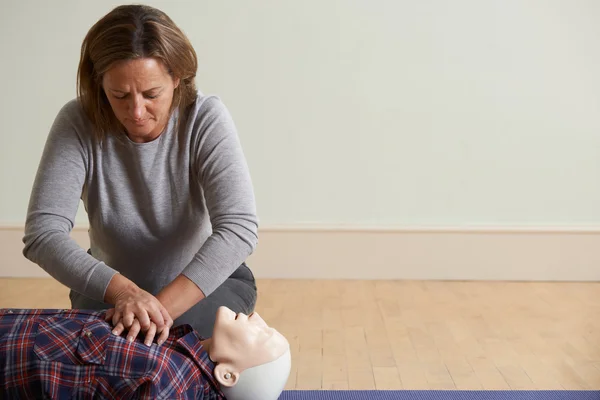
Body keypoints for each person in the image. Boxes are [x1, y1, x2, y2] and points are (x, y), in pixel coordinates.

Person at [22, 4, 259, 341]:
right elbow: (43, 233)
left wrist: (153, 311)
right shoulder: (76, 121)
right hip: (108, 289)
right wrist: (124, 294)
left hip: (206, 286)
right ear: (99, 83)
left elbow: (239, 228)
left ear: (176, 78)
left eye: (151, 94)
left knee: (166, 352)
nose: (135, 111)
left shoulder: (205, 118)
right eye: (119, 95)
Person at [0, 306, 291, 400]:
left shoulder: (169, 385)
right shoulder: (179, 348)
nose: (258, 318)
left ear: (227, 373)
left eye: (262, 335)